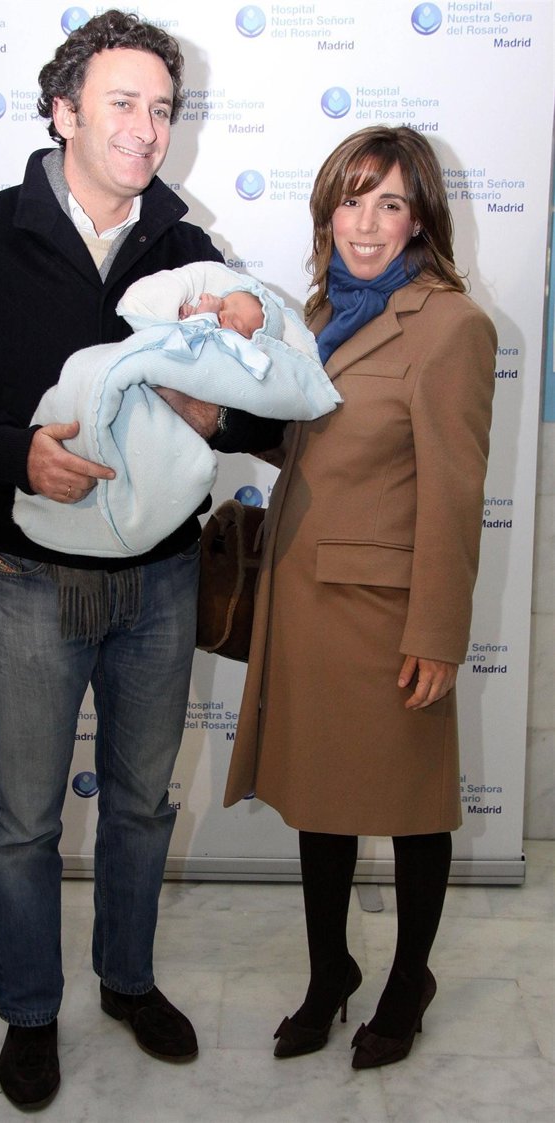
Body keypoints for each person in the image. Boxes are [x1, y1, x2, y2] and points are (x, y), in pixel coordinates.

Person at [0, 10, 285, 1110]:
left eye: (163, 109)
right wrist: (15, 454)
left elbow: (258, 413)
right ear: (62, 109)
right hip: (25, 582)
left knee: (144, 804)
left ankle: (127, 978)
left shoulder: (188, 254)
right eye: (123, 103)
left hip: (160, 581)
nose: (147, 129)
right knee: (22, 820)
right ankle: (29, 1010)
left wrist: (223, 412)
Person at [224, 125, 497, 1070]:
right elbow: (325, 448)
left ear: (421, 216)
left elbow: (455, 492)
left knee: (414, 806)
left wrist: (438, 633)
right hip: (303, 602)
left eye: (390, 201)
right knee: (319, 802)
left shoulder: (451, 325)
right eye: (351, 198)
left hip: (389, 615)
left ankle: (407, 978)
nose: (367, 222)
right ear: (326, 210)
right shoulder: (319, 312)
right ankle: (328, 971)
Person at [12, 259, 340, 558]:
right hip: (25, 558)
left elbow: (265, 422)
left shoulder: (242, 352)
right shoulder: (194, 307)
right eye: (225, 308)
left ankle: (132, 511)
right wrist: (14, 454)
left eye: (241, 325)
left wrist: (213, 416)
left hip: (168, 562)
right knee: (86, 368)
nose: (227, 319)